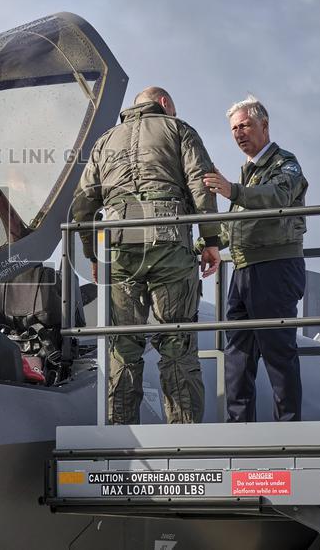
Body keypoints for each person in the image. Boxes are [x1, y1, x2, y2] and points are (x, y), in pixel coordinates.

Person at [73, 86, 221, 425]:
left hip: (120, 250)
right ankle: (182, 439)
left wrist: (92, 255)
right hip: (169, 243)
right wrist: (211, 240)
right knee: (176, 340)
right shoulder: (178, 129)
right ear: (165, 103)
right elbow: (201, 184)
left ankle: (120, 434)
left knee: (122, 345)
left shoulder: (104, 141)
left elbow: (82, 204)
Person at [203, 94, 308, 422]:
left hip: (275, 268)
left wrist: (232, 191)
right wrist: (201, 246)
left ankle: (288, 431)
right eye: (234, 128)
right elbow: (233, 227)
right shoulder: (248, 174)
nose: (239, 133)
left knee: (278, 354)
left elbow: (277, 196)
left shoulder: (284, 164)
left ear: (264, 125)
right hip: (245, 269)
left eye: (245, 125)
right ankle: (239, 430)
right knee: (238, 355)